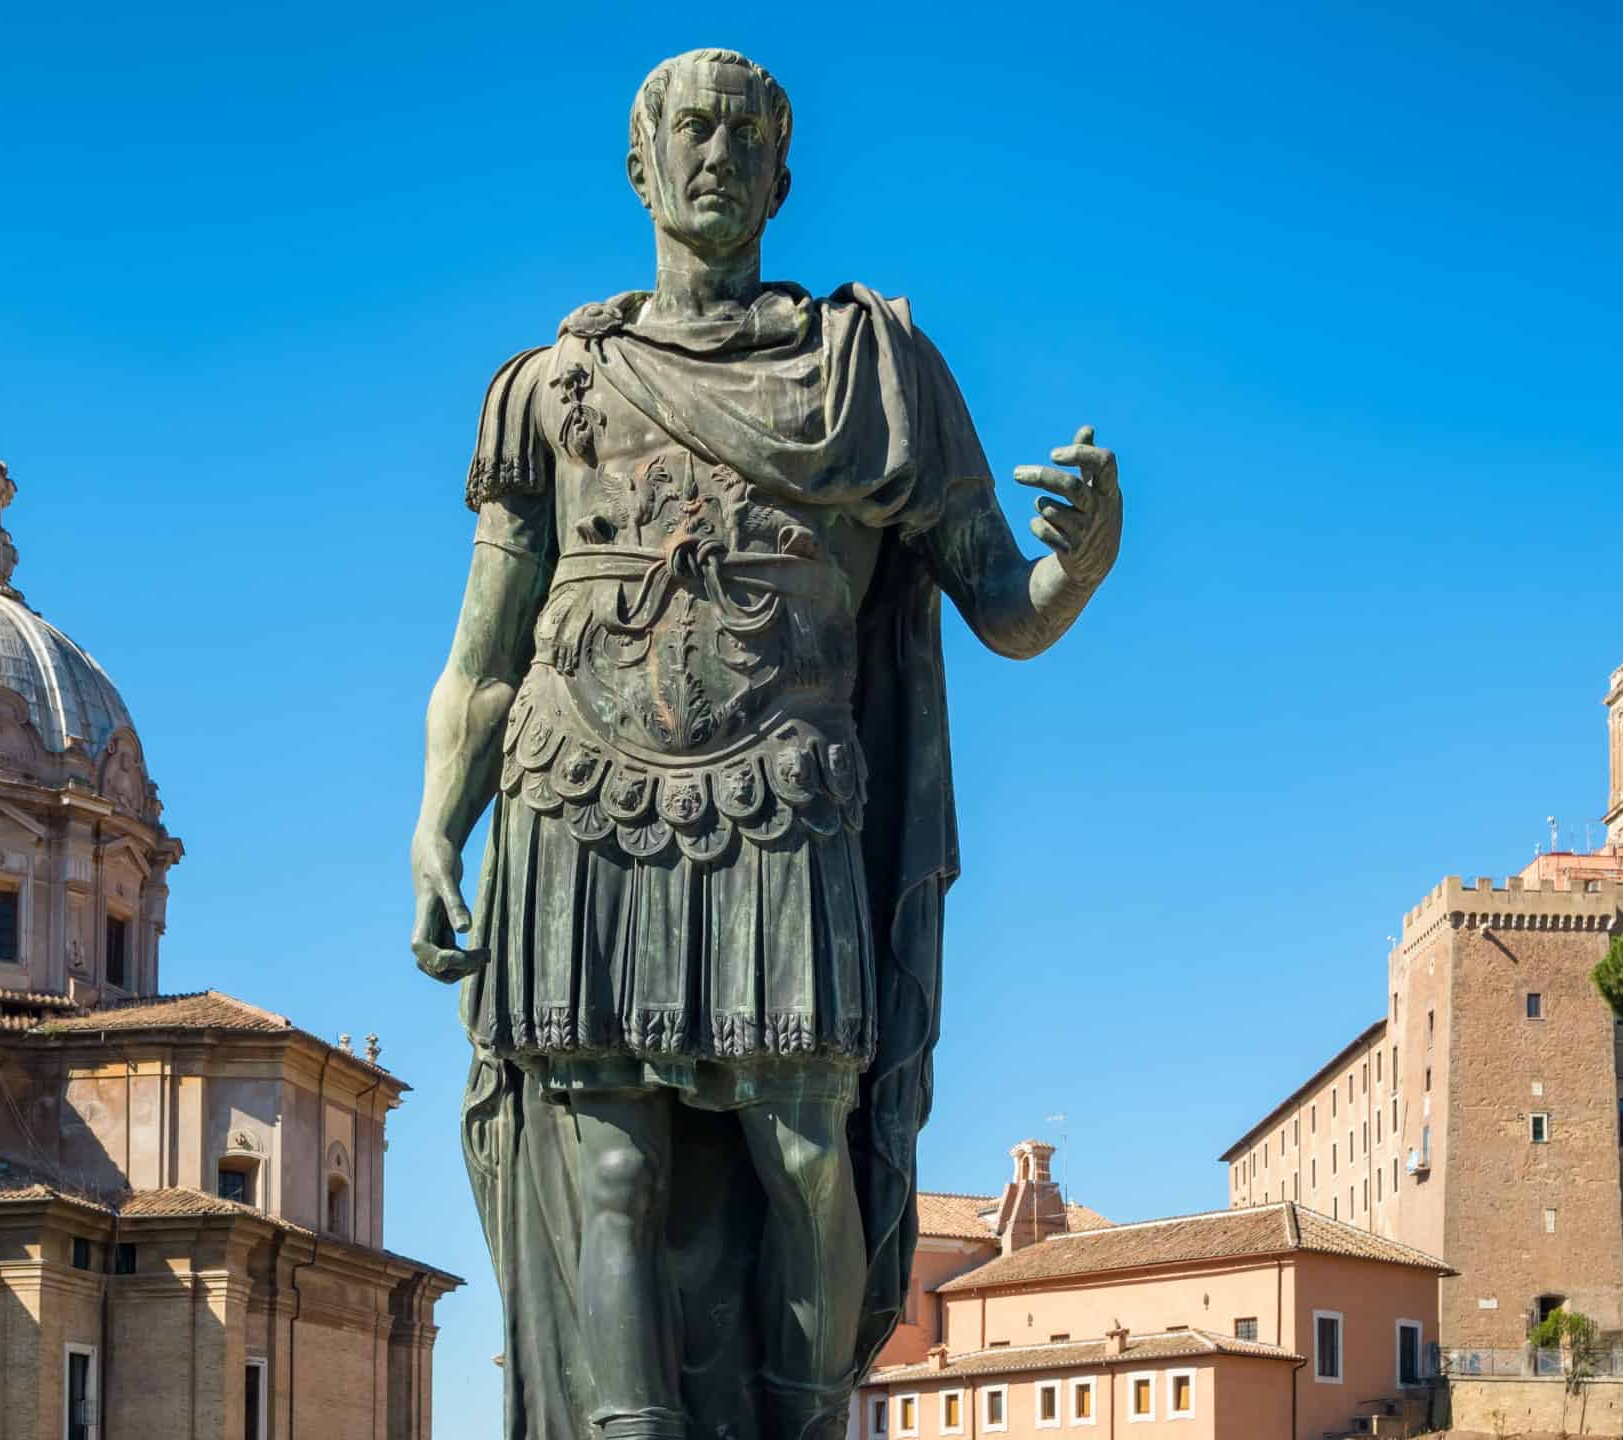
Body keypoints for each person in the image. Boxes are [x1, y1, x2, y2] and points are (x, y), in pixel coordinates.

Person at [410, 48, 1125, 1440]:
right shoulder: (547, 390)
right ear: (641, 164)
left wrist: (1076, 569)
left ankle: (801, 1423)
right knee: (603, 1175)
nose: (717, 153)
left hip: (782, 805)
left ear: (784, 176)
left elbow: (1003, 605)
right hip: (575, 800)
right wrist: (439, 823)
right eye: (691, 128)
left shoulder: (875, 373)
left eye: (747, 133)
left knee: (808, 1155)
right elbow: (484, 652)